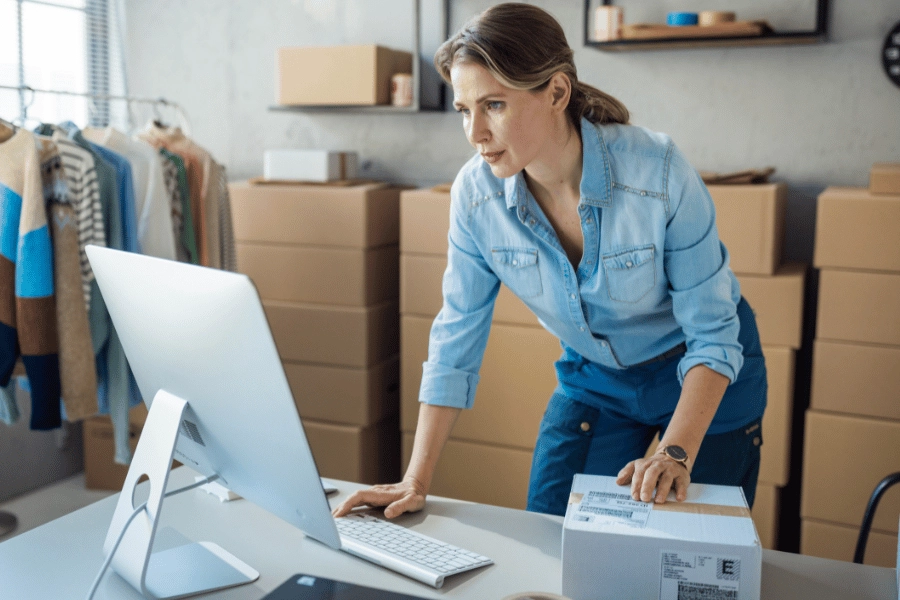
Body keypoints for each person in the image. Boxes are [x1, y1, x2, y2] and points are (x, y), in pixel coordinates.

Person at [333, 3, 767, 519]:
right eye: (463, 110)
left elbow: (714, 335)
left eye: (493, 105)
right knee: (550, 529)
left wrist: (674, 452)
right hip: (597, 378)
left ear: (557, 92)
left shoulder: (658, 173)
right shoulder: (476, 197)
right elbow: (456, 336)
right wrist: (415, 479)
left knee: (683, 563)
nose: (474, 133)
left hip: (705, 375)